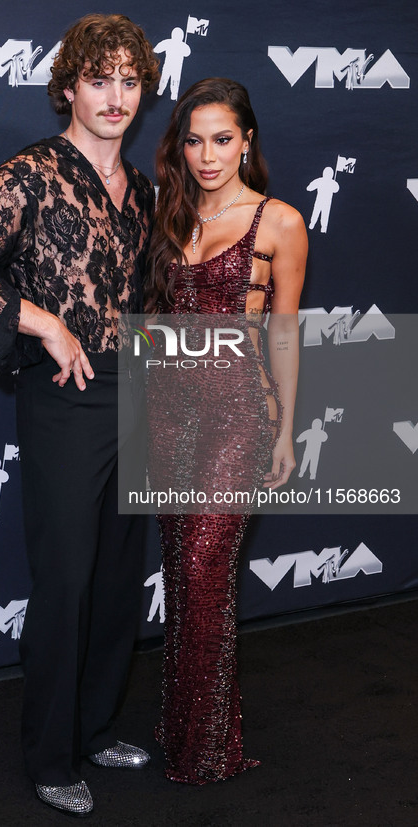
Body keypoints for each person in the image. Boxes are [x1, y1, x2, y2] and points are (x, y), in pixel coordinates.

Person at [0, 14, 159, 817]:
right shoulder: (30, 173)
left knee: (115, 575)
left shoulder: (143, 188)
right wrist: (44, 321)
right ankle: (49, 754)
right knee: (65, 577)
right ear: (67, 85)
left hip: (134, 393)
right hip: (65, 400)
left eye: (129, 80)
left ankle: (95, 727)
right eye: (99, 78)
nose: (115, 95)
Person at [144, 78, 307, 784]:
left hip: (237, 414)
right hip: (165, 415)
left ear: (246, 141)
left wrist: (284, 429)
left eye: (221, 139)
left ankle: (206, 745)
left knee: (204, 569)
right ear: (178, 147)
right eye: (193, 140)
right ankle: (181, 728)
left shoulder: (278, 221)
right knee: (182, 578)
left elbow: (284, 331)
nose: (206, 155)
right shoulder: (165, 213)